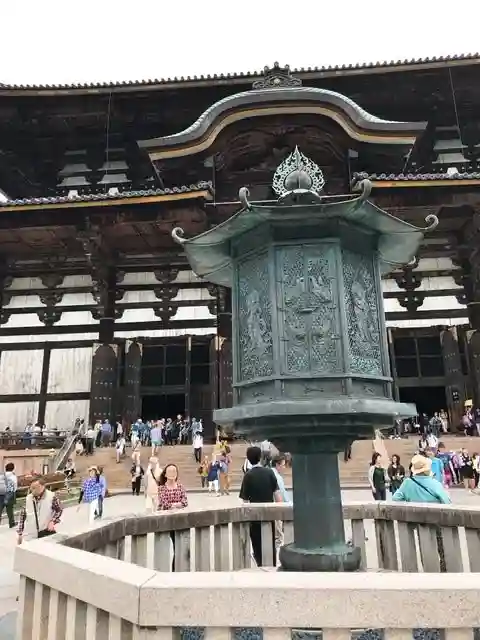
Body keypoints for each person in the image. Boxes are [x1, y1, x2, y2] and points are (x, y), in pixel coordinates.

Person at [239, 446, 282, 567]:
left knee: (257, 545)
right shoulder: (269, 473)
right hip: (269, 515)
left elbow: (245, 500)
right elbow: (278, 496)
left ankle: (260, 565)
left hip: (254, 518)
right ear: (260, 457)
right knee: (270, 543)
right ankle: (271, 565)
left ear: (248, 459)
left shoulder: (248, 476)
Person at [158, 464, 188, 571]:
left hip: (180, 521)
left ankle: (175, 569)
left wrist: (173, 505)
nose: (172, 474)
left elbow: (185, 502)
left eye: (174, 471)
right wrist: (177, 505)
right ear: (165, 474)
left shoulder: (181, 487)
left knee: (178, 548)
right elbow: (164, 503)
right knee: (164, 549)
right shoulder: (161, 488)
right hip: (165, 521)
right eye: (170, 471)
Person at [17, 477, 63, 544]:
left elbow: (59, 510)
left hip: (45, 532)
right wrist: (20, 533)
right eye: (31, 488)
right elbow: (22, 515)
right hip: (30, 534)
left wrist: (53, 521)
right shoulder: (28, 498)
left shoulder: (52, 497)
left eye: (34, 488)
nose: (32, 490)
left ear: (42, 486)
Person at [271, 454, 291, 551]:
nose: (284, 467)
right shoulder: (277, 477)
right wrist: (288, 503)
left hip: (272, 505)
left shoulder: (271, 473)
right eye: (283, 465)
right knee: (279, 535)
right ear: (277, 465)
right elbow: (281, 493)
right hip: (277, 506)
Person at [0, 462, 17, 529]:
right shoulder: (13, 476)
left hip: (1, 495)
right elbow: (15, 486)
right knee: (10, 510)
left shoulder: (2, 475)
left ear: (5, 468)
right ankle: (11, 523)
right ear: (13, 468)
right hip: (10, 494)